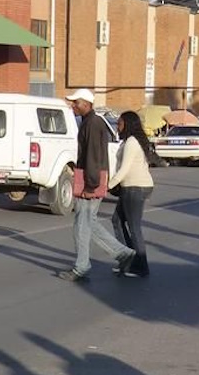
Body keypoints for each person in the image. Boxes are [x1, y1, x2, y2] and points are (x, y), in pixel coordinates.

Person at [58, 89, 135, 282]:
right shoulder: (91, 122)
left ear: (87, 104)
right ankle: (122, 253)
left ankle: (82, 266)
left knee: (81, 224)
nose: (73, 106)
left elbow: (93, 155)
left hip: (90, 178)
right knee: (89, 221)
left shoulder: (92, 124)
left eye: (76, 103)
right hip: (92, 176)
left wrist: (90, 184)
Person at [109, 110, 157, 278]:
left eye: (120, 123)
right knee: (117, 220)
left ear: (128, 124)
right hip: (133, 186)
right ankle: (128, 258)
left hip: (135, 187)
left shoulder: (132, 142)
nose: (117, 126)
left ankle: (140, 266)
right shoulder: (130, 141)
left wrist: (108, 185)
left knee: (134, 227)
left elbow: (125, 169)